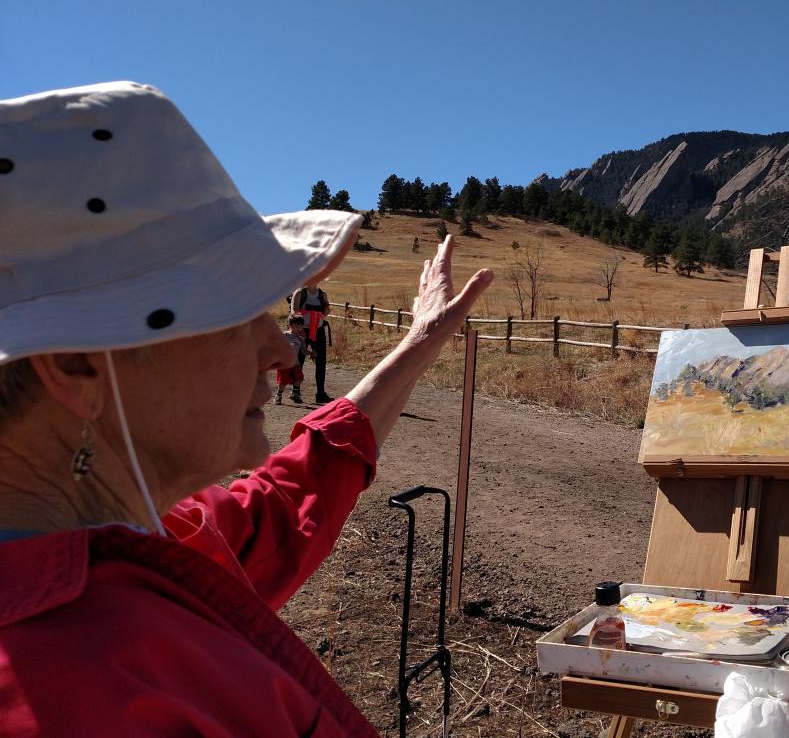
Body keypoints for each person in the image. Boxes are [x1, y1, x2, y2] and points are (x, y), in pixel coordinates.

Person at [0, 81, 492, 736]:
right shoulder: (85, 697)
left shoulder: (146, 537)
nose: (278, 344)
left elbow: (282, 507)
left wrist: (421, 340)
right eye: (232, 313)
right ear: (78, 365)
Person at [291, 279, 333, 403]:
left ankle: (320, 393)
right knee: (299, 361)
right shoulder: (299, 293)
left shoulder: (322, 294)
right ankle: (295, 392)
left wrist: (326, 308)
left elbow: (326, 312)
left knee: (321, 362)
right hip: (302, 330)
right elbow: (293, 311)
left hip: (318, 330)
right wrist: (297, 329)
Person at [277, 315, 313, 404]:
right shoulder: (284, 335)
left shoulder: (300, 339)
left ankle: (295, 394)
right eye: (296, 326)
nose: (298, 328)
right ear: (290, 325)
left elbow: (303, 351)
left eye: (300, 326)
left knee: (299, 377)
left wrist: (312, 353)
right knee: (283, 381)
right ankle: (278, 395)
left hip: (295, 363)